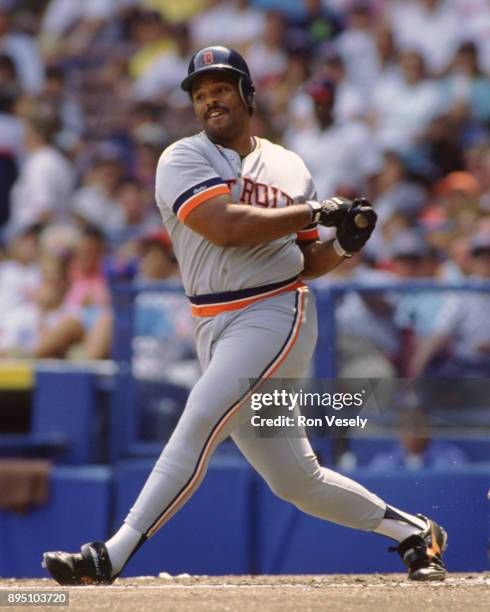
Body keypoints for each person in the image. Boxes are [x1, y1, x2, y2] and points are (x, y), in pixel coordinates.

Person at [43, 46, 447, 585]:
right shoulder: (181, 158)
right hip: (214, 322)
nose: (210, 99)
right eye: (200, 92)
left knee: (200, 417)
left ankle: (109, 555)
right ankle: (415, 533)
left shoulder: (289, 165)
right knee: (296, 480)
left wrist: (345, 246)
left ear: (247, 94)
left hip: (276, 310)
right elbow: (225, 225)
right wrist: (313, 213)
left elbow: (305, 260)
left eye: (222, 87)